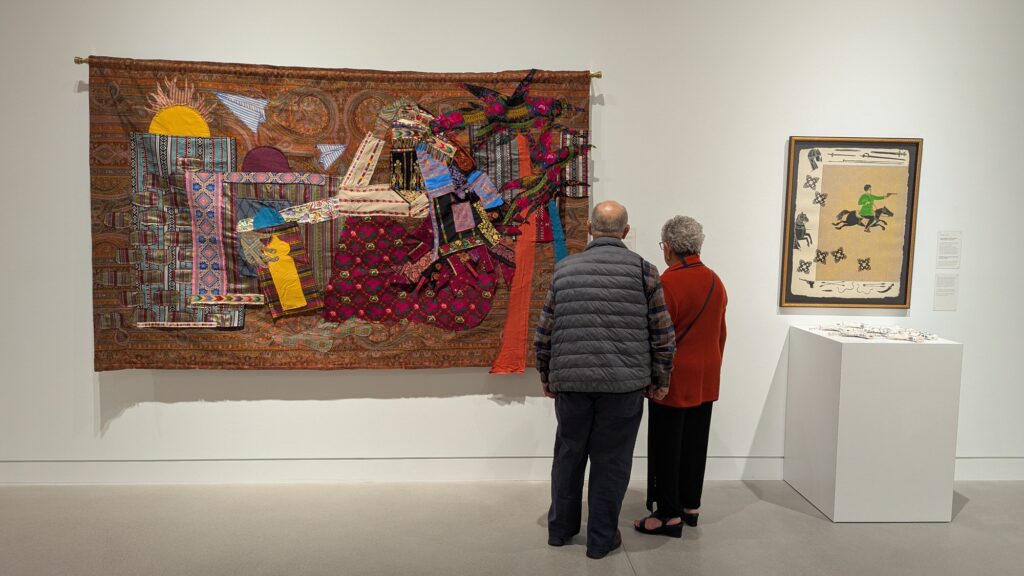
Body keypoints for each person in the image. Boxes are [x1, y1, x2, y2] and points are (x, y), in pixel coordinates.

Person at [535, 200, 675, 559]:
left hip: (572, 383)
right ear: (626, 232)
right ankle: (599, 540)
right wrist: (660, 379)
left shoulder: (565, 270)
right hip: (623, 384)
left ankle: (560, 531)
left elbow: (545, 332)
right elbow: (662, 333)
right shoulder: (645, 271)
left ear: (589, 229)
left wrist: (547, 374)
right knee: (611, 462)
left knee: (568, 456)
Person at [634, 215, 727, 538]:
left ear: (669, 248)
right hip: (706, 374)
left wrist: (651, 376)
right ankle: (690, 506)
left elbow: (657, 334)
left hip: (674, 377)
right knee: (694, 443)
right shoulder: (716, 281)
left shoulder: (668, 283)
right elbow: (720, 333)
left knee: (666, 445)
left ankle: (667, 515)